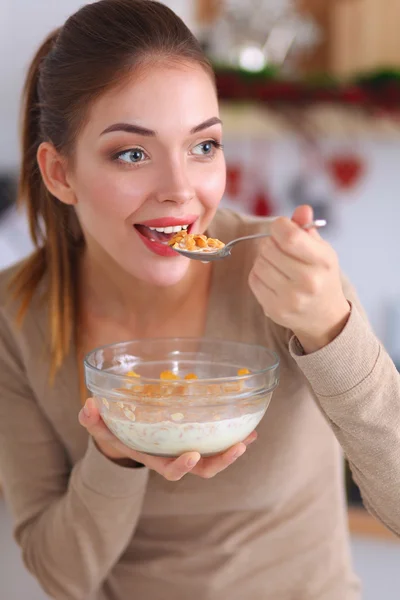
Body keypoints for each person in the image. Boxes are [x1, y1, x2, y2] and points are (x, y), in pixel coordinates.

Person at [0, 1, 399, 599]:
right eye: (132, 153)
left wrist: (333, 334)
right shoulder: (17, 315)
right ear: (60, 173)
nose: (181, 190)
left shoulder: (291, 282)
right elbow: (61, 574)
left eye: (204, 146)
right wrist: (114, 458)